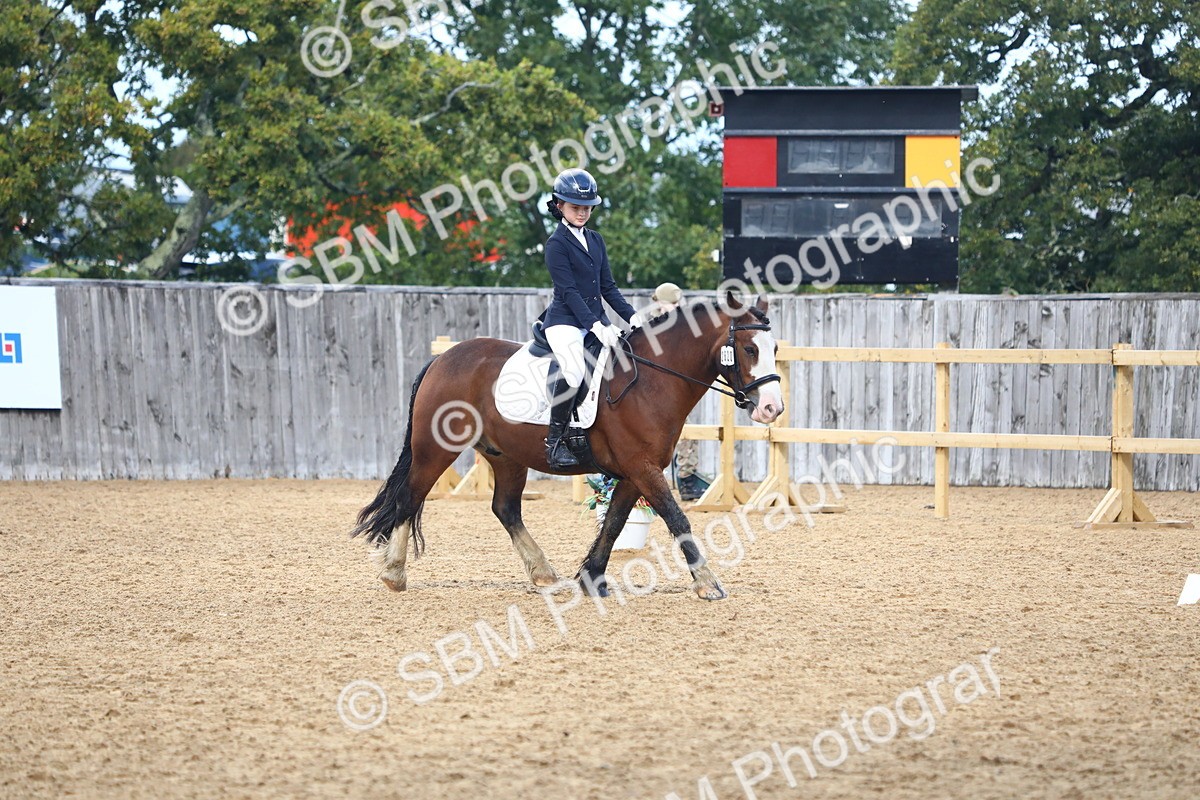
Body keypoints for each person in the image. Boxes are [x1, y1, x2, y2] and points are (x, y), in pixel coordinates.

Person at [541, 168, 639, 469]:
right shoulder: (556, 244)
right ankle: (555, 442)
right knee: (573, 372)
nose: (582, 212)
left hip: (596, 321)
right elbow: (569, 292)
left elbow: (608, 287)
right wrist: (595, 325)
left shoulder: (596, 240)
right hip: (565, 322)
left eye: (587, 207)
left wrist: (632, 316)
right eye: (576, 207)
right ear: (560, 205)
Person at [639, 282, 706, 500]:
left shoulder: (682, 325)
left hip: (675, 391)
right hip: (652, 392)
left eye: (677, 304)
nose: (676, 307)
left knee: (688, 432)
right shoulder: (651, 326)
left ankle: (686, 478)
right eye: (672, 303)